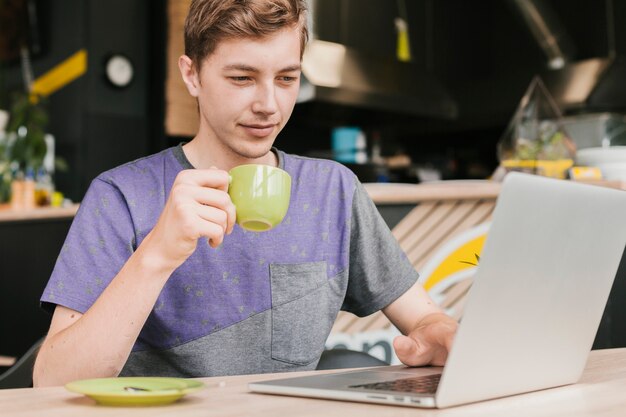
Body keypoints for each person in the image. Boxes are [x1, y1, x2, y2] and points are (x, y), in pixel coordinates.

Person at [33, 0, 458, 387]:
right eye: (242, 78)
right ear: (191, 74)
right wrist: (157, 254)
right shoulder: (120, 196)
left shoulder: (334, 190)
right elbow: (52, 382)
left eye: (287, 78)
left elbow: (424, 318)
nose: (269, 104)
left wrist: (439, 335)